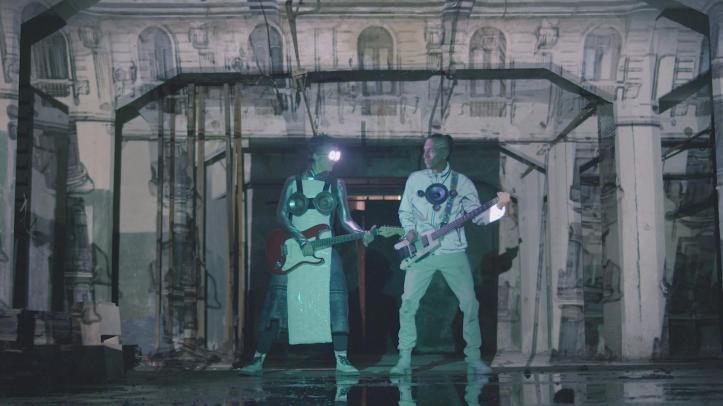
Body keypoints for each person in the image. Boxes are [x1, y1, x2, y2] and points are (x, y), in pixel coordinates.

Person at [239, 135, 374, 375]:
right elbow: (282, 214)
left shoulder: (337, 184)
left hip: (325, 251)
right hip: (294, 250)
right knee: (277, 301)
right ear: (315, 155)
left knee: (337, 300)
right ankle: (258, 359)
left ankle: (342, 360)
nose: (334, 159)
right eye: (330, 154)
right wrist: (300, 239)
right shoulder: (293, 182)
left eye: (336, 155)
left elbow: (345, 219)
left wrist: (361, 233)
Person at [390, 133, 510, 375]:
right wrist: (410, 231)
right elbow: (405, 211)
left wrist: (499, 207)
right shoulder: (415, 179)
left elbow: (478, 217)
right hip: (422, 252)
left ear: (445, 153)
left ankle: (473, 358)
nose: (425, 155)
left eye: (431, 150)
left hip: (453, 250)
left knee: (470, 303)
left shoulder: (462, 183)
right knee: (408, 303)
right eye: (424, 150)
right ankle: (404, 359)